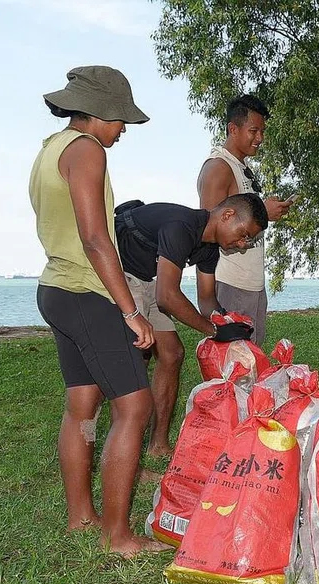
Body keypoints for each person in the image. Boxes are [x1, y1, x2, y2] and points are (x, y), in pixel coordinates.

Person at [31, 65, 168, 556]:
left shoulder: (50, 148)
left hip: (55, 289)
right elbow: (95, 237)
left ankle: (81, 517)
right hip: (86, 294)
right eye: (119, 119)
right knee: (135, 406)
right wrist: (131, 311)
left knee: (82, 405)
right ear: (96, 113)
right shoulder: (86, 150)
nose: (123, 130)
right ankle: (118, 535)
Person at [115, 194, 269, 456]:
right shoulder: (182, 225)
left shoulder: (210, 247)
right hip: (121, 273)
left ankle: (158, 446)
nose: (243, 244)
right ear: (228, 215)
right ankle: (126, 454)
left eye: (248, 240)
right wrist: (214, 331)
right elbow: (167, 296)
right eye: (243, 234)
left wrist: (226, 321)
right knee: (136, 357)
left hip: (147, 279)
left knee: (172, 353)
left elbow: (206, 299)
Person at [196, 94, 294, 345]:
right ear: (233, 129)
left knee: (251, 365)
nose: (260, 138)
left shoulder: (240, 167)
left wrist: (264, 213)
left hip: (251, 283)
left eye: (262, 131)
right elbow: (209, 231)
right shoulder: (218, 167)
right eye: (253, 130)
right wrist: (263, 211)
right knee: (234, 367)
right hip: (230, 282)